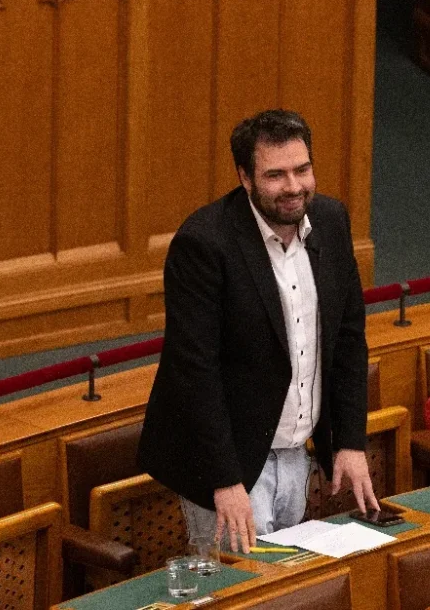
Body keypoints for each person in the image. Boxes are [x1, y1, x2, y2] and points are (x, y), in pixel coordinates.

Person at [137, 109, 378, 553]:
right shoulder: (204, 243)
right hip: (231, 464)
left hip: (296, 450)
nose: (293, 186)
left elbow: (347, 338)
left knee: (285, 578)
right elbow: (195, 372)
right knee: (239, 586)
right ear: (245, 177)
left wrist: (349, 441)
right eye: (275, 175)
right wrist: (225, 480)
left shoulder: (331, 221)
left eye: (302, 169)